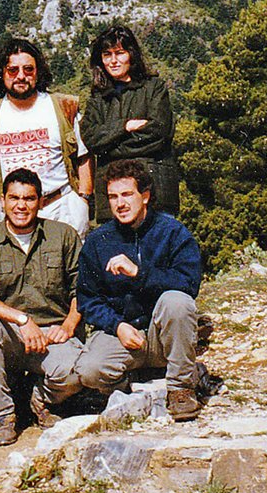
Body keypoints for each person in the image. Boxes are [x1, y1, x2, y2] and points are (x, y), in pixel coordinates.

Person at [0, 169, 85, 445]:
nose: (21, 206)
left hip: (53, 334)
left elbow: (84, 288)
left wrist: (67, 325)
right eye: (14, 198)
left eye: (29, 199)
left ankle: (39, 399)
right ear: (2, 201)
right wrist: (20, 319)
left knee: (82, 369)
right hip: (11, 334)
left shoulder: (63, 236)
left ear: (40, 201)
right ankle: (3, 414)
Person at [76, 158, 204, 421]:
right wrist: (117, 326)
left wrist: (139, 273)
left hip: (161, 333)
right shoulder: (98, 241)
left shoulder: (172, 232)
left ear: (144, 196)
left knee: (176, 302)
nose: (120, 204)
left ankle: (181, 388)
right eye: (113, 197)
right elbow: (88, 300)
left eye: (127, 194)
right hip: (123, 334)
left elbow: (189, 283)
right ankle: (129, 385)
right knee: (89, 370)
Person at [0, 37, 92, 235]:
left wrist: (83, 199)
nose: (21, 76)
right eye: (13, 70)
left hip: (61, 208)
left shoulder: (61, 107)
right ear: (2, 73)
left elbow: (83, 155)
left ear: (38, 72)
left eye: (28, 69)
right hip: (14, 215)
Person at [80, 24, 180, 220]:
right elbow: (90, 139)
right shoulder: (98, 99)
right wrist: (125, 127)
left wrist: (109, 145)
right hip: (112, 203)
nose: (113, 61)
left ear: (131, 55)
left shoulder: (154, 89)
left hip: (156, 195)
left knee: (159, 249)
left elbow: (158, 134)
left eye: (120, 53)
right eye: (107, 54)